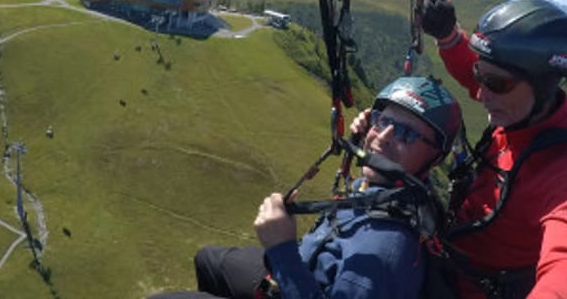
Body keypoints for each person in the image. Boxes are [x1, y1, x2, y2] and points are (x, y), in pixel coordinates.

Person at [150, 76, 464, 299]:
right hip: (308, 271)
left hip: (300, 278)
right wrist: (364, 137)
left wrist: (282, 249)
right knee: (209, 259)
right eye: (382, 121)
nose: (383, 137)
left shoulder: (381, 254)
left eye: (407, 134)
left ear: (434, 158)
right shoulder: (397, 189)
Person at [420, 0, 567, 299]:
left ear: (544, 85)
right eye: (481, 75)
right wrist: (449, 36)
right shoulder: (520, 111)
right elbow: (472, 70)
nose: (481, 92)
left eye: (496, 84)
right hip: (449, 258)